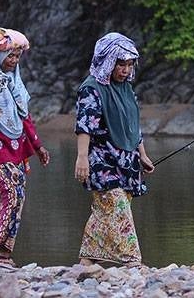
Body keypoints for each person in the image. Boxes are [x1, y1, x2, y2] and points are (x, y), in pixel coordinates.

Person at [0, 27, 50, 267]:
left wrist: (38, 146)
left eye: (16, 57)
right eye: (9, 56)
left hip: (15, 147)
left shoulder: (16, 81)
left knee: (18, 194)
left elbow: (24, 117)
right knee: (10, 191)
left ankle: (3, 255)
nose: (13, 61)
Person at [74, 32, 154, 266]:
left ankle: (87, 261)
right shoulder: (91, 88)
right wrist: (82, 159)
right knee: (117, 207)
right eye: (121, 64)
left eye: (129, 65)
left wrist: (143, 154)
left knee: (104, 211)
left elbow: (133, 125)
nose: (126, 70)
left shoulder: (127, 89)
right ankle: (132, 261)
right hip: (101, 161)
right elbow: (84, 125)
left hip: (126, 162)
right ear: (108, 61)